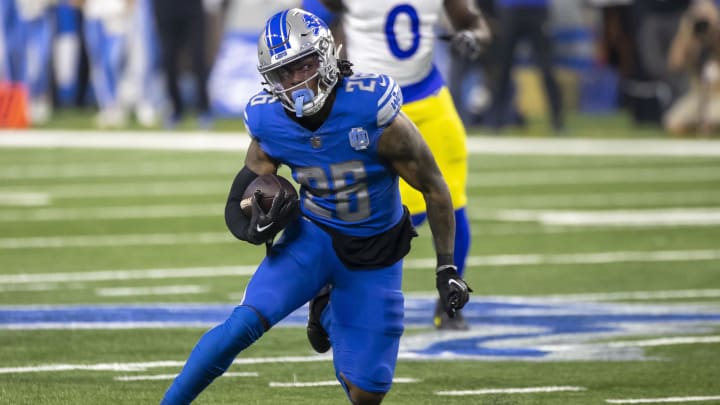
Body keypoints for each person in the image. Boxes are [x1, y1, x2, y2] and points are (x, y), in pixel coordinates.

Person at [160, 8, 471, 405]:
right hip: (313, 237)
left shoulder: (371, 109)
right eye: (284, 73)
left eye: (303, 65)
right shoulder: (269, 118)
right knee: (241, 327)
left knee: (368, 393)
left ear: (325, 56)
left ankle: (324, 307)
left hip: (374, 250)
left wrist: (446, 266)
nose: (296, 81)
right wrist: (252, 224)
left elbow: (434, 187)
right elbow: (240, 194)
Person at [303, 0, 488, 330]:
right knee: (372, 210)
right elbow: (310, 26)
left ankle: (449, 302)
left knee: (452, 200)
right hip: (368, 103)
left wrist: (473, 36)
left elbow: (473, 21)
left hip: (429, 98)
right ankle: (330, 291)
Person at [490, 0, 564, 133]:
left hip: (537, 9)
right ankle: (495, 120)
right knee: (503, 67)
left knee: (546, 67)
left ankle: (557, 120)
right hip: (511, 9)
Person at [152, 0, 213, 129]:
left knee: (198, 58)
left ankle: (203, 108)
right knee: (169, 59)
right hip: (166, 7)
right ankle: (175, 109)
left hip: (191, 6)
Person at [664, 0, 720, 135]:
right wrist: (686, 32)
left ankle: (707, 126)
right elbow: (674, 64)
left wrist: (715, 29)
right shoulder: (693, 38)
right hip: (698, 93)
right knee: (672, 123)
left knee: (714, 118)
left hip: (717, 94)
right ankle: (702, 127)